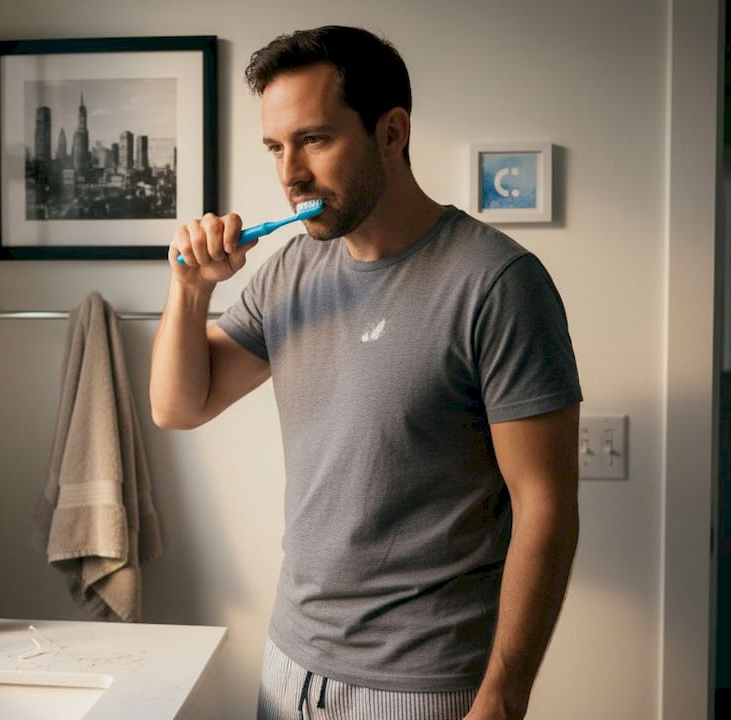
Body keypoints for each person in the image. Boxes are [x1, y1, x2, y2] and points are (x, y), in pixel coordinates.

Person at [149, 25, 582, 720]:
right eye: (275, 147)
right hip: (290, 665)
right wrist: (190, 290)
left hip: (425, 683)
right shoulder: (291, 270)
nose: (289, 174)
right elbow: (179, 406)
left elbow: (546, 507)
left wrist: (503, 696)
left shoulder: (497, 283)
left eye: (314, 141)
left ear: (392, 132)